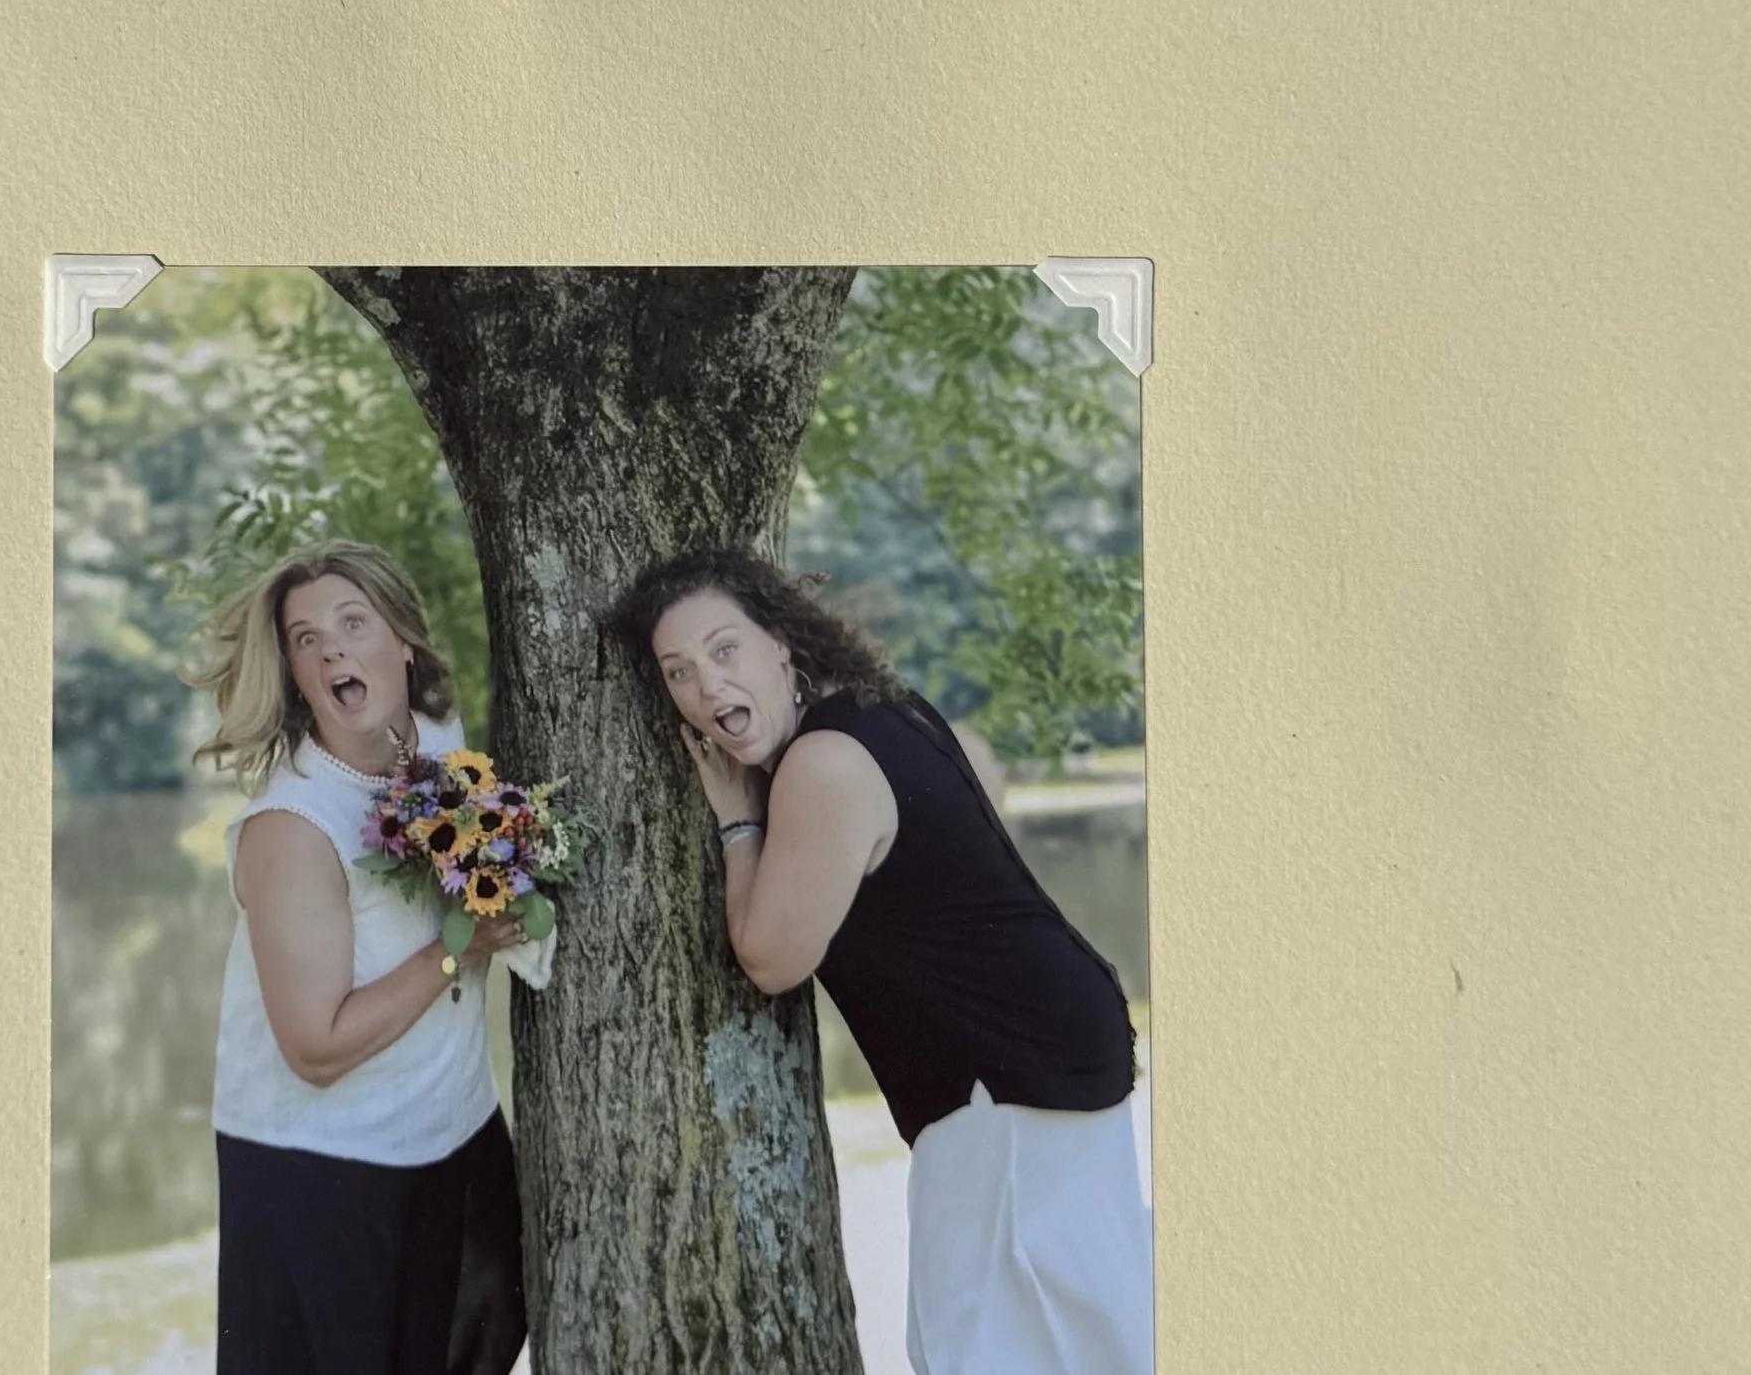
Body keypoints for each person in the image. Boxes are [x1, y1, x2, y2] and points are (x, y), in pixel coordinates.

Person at [606, 547, 1152, 1375]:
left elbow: (770, 958)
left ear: (780, 642)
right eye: (678, 671)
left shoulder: (821, 764)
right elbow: (983, 786)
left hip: (1003, 1083)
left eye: (725, 650)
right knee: (1091, 1325)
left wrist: (737, 821)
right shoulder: (886, 709)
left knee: (989, 1345)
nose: (706, 688)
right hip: (1056, 1050)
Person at [185, 540, 537, 1375]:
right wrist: (460, 946)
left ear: (404, 641)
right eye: (306, 639)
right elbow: (316, 1045)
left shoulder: (437, 744)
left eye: (353, 622)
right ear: (297, 675)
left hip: (455, 1138)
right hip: (326, 1175)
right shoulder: (294, 828)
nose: (333, 648)